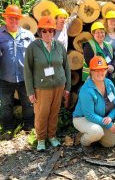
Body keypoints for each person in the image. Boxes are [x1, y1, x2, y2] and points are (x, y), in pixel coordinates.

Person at [24, 16, 71, 151]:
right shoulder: (33, 47)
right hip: (42, 88)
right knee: (41, 114)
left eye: (51, 31)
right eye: (44, 31)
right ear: (40, 32)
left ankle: (52, 136)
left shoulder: (60, 46)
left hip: (59, 86)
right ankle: (41, 139)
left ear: (54, 32)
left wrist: (67, 87)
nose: (48, 34)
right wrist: (30, 92)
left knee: (54, 112)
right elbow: (27, 70)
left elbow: (66, 67)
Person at [0, 5, 34, 140]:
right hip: (4, 77)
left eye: (16, 18)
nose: (13, 21)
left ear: (19, 19)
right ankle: (8, 129)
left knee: (28, 103)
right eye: (10, 18)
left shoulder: (28, 35)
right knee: (6, 105)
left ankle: (29, 127)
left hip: (25, 77)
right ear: (5, 19)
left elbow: (33, 57)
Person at [73, 56, 115, 153]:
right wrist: (109, 124)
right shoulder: (86, 90)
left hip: (101, 118)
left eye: (103, 69)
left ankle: (94, 136)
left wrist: (110, 117)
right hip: (83, 118)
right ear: (91, 71)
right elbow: (89, 115)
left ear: (106, 70)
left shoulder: (109, 83)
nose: (100, 73)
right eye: (96, 70)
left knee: (110, 143)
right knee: (97, 131)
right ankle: (84, 141)